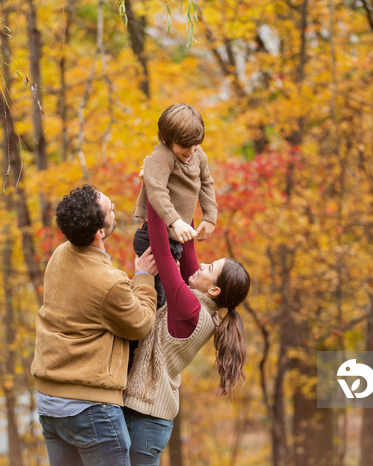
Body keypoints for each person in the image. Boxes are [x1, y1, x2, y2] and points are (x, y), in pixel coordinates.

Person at [31, 184, 158, 466]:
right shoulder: (109, 283)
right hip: (89, 407)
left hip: (49, 401)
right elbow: (141, 324)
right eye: (110, 209)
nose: (115, 211)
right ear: (99, 232)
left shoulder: (59, 255)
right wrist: (144, 277)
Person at [123, 202, 250, 465]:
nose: (202, 265)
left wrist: (155, 192)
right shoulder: (202, 304)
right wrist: (182, 187)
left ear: (214, 290)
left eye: (210, 268)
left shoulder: (190, 310)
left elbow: (162, 252)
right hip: (147, 417)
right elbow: (188, 245)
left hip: (147, 421)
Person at [134, 103, 219, 308]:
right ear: (165, 139)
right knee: (159, 300)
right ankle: (146, 336)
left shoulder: (197, 154)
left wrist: (209, 216)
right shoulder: (161, 157)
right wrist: (175, 221)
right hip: (154, 237)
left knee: (191, 285)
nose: (191, 150)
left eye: (195, 144)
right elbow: (156, 190)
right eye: (184, 146)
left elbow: (206, 182)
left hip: (179, 237)